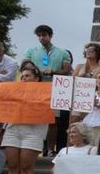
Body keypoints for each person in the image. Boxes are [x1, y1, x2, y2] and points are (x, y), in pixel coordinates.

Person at [21, 25, 72, 154]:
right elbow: (24, 65)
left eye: (44, 35)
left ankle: (50, 149)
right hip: (35, 89)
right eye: (39, 35)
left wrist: (53, 71)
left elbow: (67, 70)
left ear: (50, 36)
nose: (41, 38)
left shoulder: (62, 52)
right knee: (34, 118)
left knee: (53, 121)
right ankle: (35, 147)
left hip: (54, 89)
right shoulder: (31, 51)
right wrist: (36, 71)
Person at [77, 71, 100, 146]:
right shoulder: (88, 94)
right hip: (86, 125)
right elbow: (82, 114)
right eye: (98, 78)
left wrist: (98, 104)